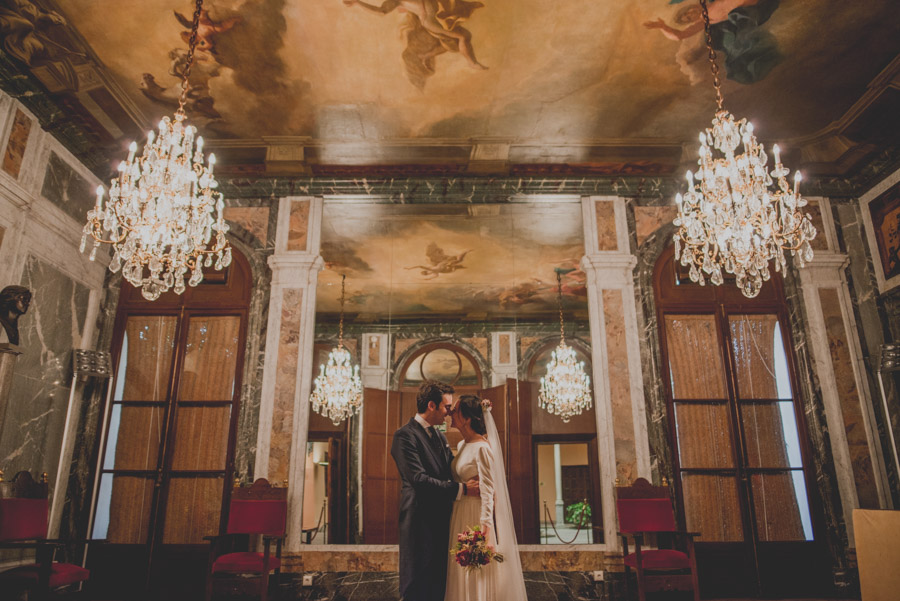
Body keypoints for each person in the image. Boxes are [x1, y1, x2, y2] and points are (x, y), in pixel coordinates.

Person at [392, 380, 480, 601]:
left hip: (444, 523)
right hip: (419, 526)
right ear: (431, 405)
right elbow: (419, 481)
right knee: (417, 588)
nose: (449, 413)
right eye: (446, 407)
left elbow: (452, 470)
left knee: (439, 587)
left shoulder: (439, 436)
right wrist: (463, 489)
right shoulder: (404, 436)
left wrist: (480, 413)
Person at [445, 394, 527, 601]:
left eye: (455, 410)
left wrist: (484, 533)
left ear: (467, 417)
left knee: (475, 575)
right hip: (459, 513)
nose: (451, 413)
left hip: (475, 516)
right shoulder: (464, 445)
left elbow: (489, 492)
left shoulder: (482, 448)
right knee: (458, 575)